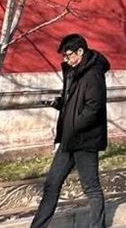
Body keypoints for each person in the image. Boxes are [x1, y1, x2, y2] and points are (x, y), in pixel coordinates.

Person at [30, 34, 110, 228]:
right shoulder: (74, 72)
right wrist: (58, 103)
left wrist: (74, 126)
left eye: (68, 55)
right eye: (64, 56)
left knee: (91, 188)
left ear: (80, 52)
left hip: (85, 141)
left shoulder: (93, 74)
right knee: (52, 185)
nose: (65, 59)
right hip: (69, 140)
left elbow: (94, 107)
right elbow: (73, 103)